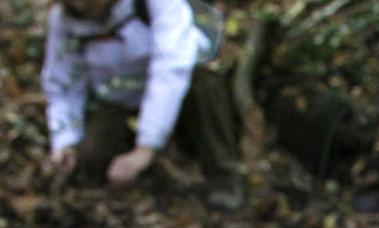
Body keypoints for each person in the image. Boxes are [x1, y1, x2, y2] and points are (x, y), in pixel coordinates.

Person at [41, 0, 243, 210]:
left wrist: (146, 147)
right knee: (89, 166)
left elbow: (171, 69)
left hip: (179, 88)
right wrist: (65, 141)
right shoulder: (63, 19)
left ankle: (223, 175)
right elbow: (62, 83)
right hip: (117, 99)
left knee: (204, 83)